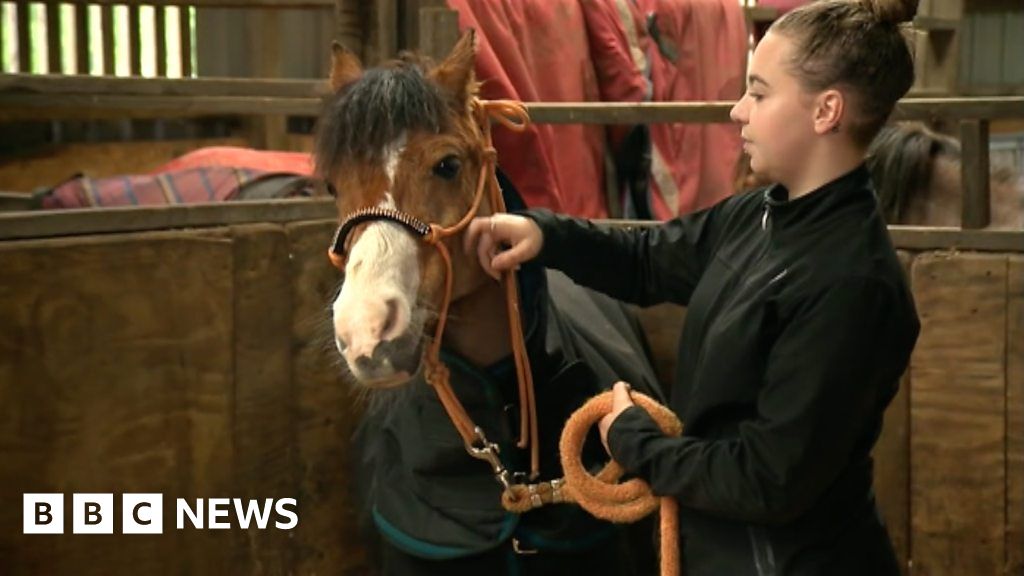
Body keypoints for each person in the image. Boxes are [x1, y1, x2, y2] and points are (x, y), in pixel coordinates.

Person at [464, 0, 922, 574]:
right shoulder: (759, 214)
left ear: (826, 111)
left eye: (758, 92)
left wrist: (634, 442)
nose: (737, 111)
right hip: (722, 552)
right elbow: (649, 261)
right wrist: (543, 234)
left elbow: (767, 481)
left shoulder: (852, 284)